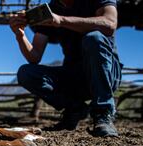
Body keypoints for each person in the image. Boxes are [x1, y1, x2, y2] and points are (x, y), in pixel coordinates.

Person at [9, 0, 122, 137]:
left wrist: (61, 20)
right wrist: (20, 35)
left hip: (106, 73)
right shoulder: (49, 10)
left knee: (94, 38)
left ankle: (103, 114)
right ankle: (75, 108)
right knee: (26, 73)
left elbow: (109, 24)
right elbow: (34, 56)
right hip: (74, 76)